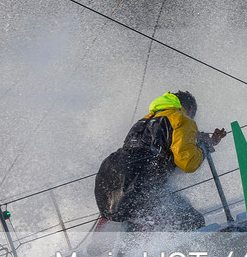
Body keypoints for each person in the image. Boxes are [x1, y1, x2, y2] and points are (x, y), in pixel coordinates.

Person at [94, 90, 228, 230]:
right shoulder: (182, 119)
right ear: (190, 109)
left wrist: (197, 141)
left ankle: (102, 242)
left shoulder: (146, 120)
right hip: (141, 185)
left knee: (130, 217)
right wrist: (206, 145)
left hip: (109, 179)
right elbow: (187, 163)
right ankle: (154, 247)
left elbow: (154, 147)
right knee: (193, 221)